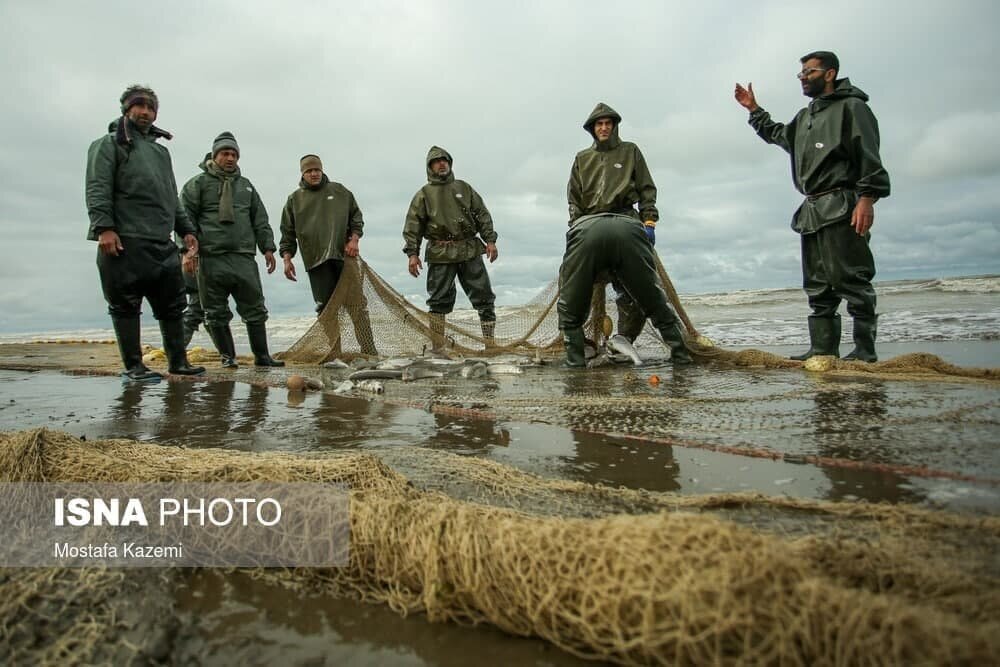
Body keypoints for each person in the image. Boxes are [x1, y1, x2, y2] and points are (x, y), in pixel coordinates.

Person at [735, 51, 890, 362]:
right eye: (801, 73)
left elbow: (868, 152)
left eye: (810, 72)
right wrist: (754, 110)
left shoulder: (853, 107)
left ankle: (865, 351)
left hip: (843, 204)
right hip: (812, 209)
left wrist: (866, 198)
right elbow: (780, 136)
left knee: (851, 279)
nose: (803, 78)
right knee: (818, 285)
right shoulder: (805, 117)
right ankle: (823, 349)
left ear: (830, 74)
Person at [85, 84, 205, 382]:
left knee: (173, 305)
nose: (146, 112)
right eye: (140, 106)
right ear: (126, 109)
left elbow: (171, 196)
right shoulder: (108, 144)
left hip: (161, 243)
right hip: (125, 240)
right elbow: (98, 188)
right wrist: (104, 228)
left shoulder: (161, 153)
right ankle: (134, 367)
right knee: (125, 305)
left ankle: (178, 362)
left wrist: (186, 230)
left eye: (151, 108)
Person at [180, 131, 284, 368]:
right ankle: (228, 358)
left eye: (234, 154)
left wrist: (268, 248)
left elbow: (260, 219)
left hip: (243, 257)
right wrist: (186, 252)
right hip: (210, 258)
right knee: (215, 311)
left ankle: (262, 357)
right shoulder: (197, 184)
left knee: (255, 308)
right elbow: (184, 220)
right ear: (214, 155)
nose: (230, 158)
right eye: (225, 153)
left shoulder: (246, 186)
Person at [567, 102, 660, 343]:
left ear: (615, 126)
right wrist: (575, 226)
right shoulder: (582, 158)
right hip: (590, 227)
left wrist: (649, 221)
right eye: (599, 124)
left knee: (637, 287)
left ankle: (624, 340)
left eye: (608, 123)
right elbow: (574, 198)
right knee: (575, 286)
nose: (604, 127)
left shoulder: (630, 151)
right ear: (592, 128)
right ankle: (582, 344)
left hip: (626, 223)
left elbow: (646, 189)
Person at [558, 213, 691, 367]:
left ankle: (575, 363)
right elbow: (647, 199)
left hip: (586, 233)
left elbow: (575, 212)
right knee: (651, 299)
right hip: (629, 231)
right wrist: (649, 223)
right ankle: (682, 356)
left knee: (570, 308)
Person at [279, 154, 377, 356]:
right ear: (302, 174)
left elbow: (356, 217)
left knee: (357, 305)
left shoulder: (339, 191)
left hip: (344, 258)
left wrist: (354, 240)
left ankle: (369, 351)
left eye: (317, 169)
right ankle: (335, 354)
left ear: (322, 170)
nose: (314, 174)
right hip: (315, 261)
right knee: (326, 308)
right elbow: (287, 233)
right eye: (309, 171)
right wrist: (287, 259)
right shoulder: (294, 200)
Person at [403, 146, 499, 351]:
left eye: (444, 160)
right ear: (430, 167)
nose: (441, 163)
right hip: (440, 253)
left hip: (469, 250)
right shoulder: (423, 194)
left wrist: (490, 240)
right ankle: (438, 349)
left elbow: (482, 214)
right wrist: (412, 254)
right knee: (438, 302)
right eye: (436, 161)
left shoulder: (464, 188)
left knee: (484, 298)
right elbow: (413, 225)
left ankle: (490, 345)